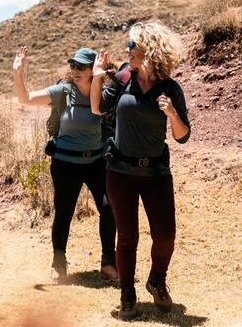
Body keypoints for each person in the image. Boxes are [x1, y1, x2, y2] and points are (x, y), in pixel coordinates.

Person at [90, 21, 190, 320]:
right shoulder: (122, 79)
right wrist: (97, 79)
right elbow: (97, 109)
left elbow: (183, 136)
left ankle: (156, 280)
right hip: (120, 172)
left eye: (131, 45)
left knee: (165, 236)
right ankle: (127, 296)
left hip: (157, 173)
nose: (127, 50)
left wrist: (171, 113)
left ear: (147, 49)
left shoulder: (170, 88)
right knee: (128, 237)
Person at [13, 46, 117, 282]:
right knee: (64, 214)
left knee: (108, 208)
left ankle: (109, 263)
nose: (75, 70)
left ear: (94, 69)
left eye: (81, 66)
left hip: (96, 162)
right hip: (65, 163)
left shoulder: (105, 91)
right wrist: (18, 73)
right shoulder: (63, 91)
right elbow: (25, 99)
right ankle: (58, 264)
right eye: (73, 66)